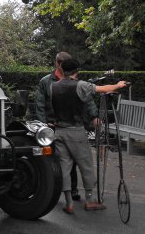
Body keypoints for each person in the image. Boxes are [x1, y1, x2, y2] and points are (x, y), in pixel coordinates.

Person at [51, 58, 127, 214]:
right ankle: (90, 200)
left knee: (64, 167)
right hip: (75, 131)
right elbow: (103, 88)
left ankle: (69, 203)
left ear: (62, 70)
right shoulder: (80, 85)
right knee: (85, 164)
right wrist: (118, 85)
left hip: (58, 131)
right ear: (76, 71)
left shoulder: (53, 86)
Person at [36, 51, 91, 201]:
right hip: (51, 125)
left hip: (67, 125)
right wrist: (44, 124)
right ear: (57, 64)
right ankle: (54, 189)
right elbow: (40, 104)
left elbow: (87, 100)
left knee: (69, 160)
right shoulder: (46, 81)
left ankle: (72, 190)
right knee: (53, 158)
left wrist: (94, 116)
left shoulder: (75, 82)